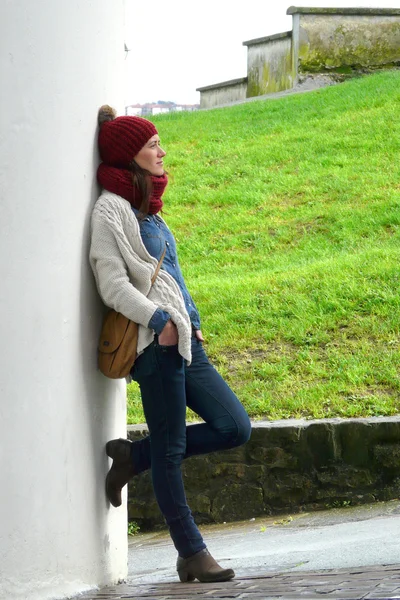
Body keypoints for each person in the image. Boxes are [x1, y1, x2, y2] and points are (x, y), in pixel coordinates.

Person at [90, 105, 252, 583]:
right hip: (153, 344)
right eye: (152, 144)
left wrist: (192, 322)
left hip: (184, 342)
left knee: (234, 426)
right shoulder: (111, 210)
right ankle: (191, 554)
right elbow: (111, 283)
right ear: (129, 156)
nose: (162, 151)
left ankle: (132, 457)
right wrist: (159, 320)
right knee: (171, 450)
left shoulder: (150, 210)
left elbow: (172, 276)